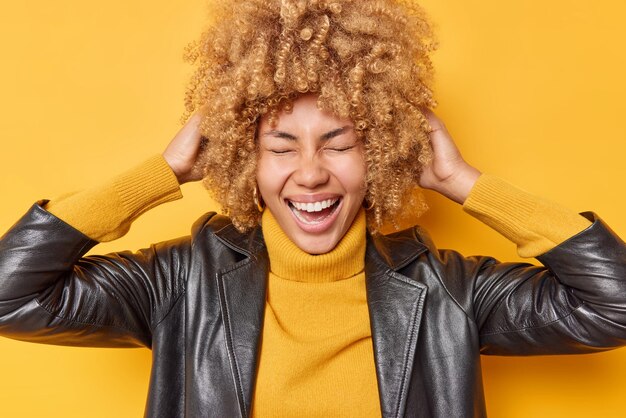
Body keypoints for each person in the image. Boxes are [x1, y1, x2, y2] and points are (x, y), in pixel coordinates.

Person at [1, 0, 625, 417]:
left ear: (380, 151)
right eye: (280, 146)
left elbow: (615, 308)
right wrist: (160, 174)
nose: (310, 172)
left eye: (340, 142)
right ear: (244, 159)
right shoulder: (178, 284)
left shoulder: (447, 292)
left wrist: (464, 183)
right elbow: (11, 297)